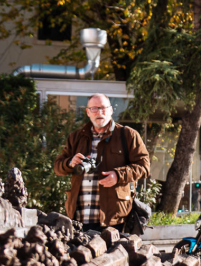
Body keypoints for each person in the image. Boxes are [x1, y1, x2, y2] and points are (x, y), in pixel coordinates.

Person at [55, 94, 150, 232]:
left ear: (111, 110)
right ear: (88, 112)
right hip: (79, 216)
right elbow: (58, 167)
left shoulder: (128, 135)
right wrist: (70, 163)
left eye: (103, 108)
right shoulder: (76, 137)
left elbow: (144, 167)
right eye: (94, 108)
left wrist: (118, 175)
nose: (99, 112)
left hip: (114, 217)